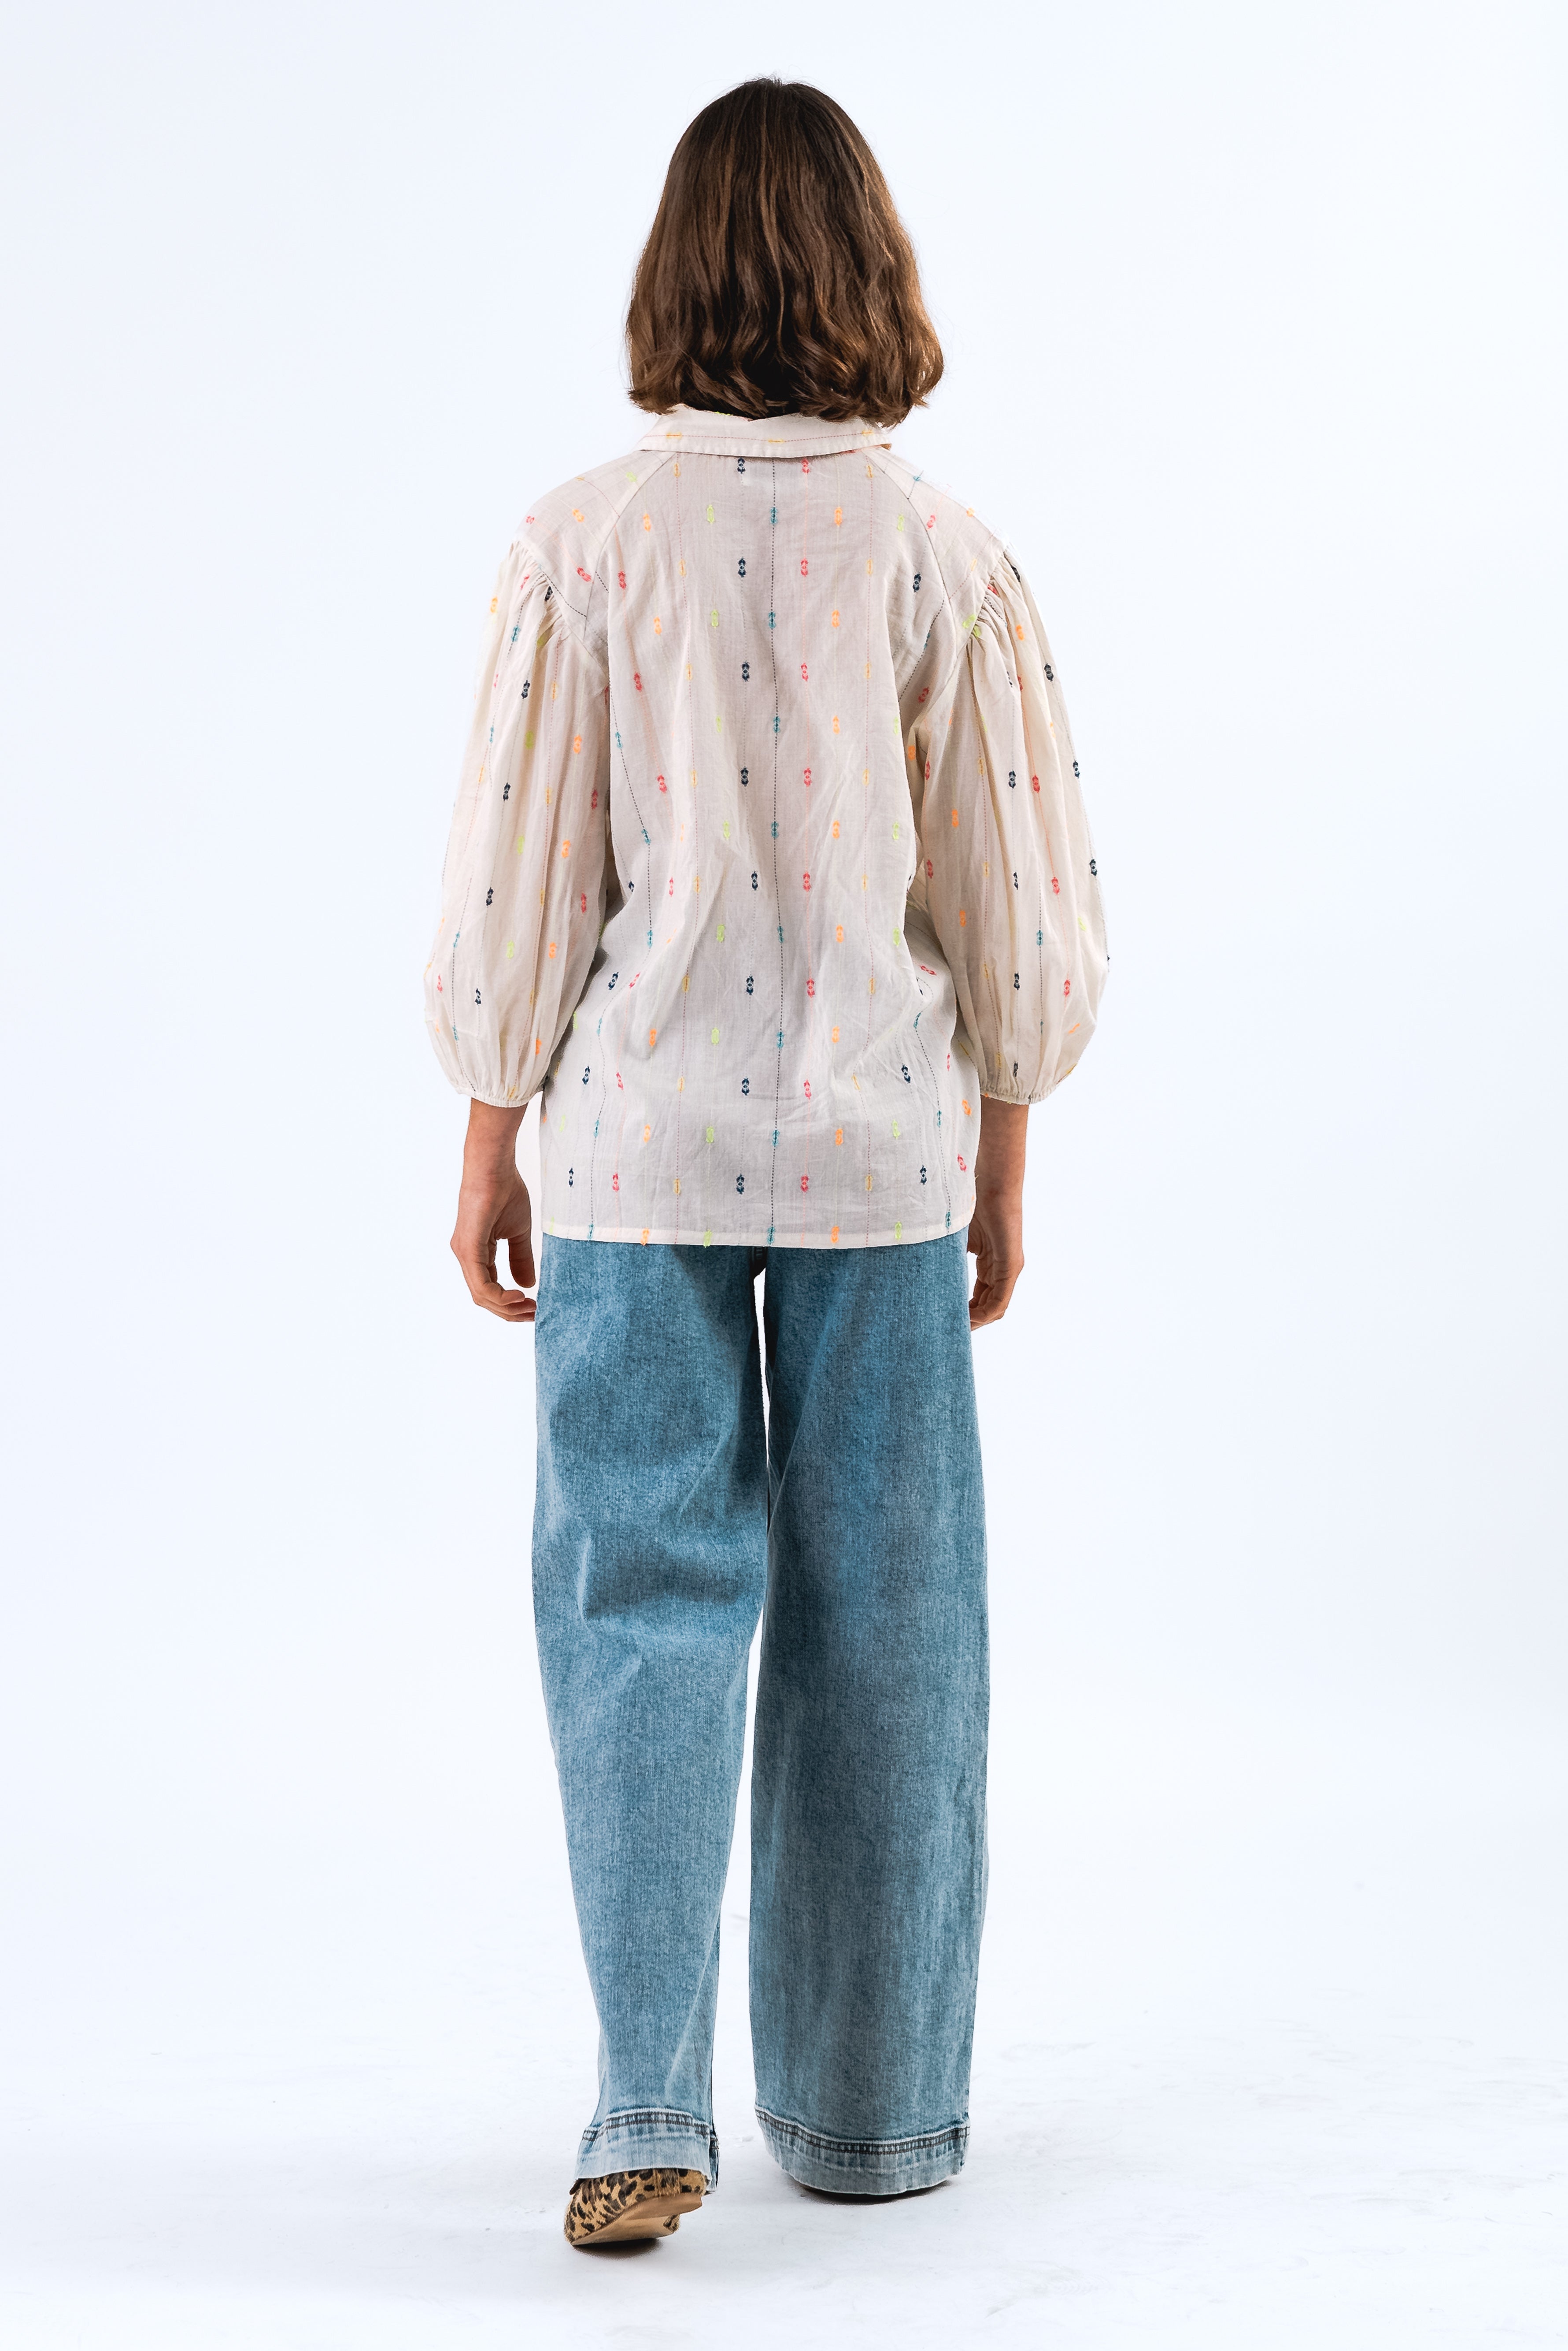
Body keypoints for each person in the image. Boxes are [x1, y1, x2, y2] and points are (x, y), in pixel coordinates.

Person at [424, 77, 1108, 2251]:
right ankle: (872, 2115)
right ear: (871, 271)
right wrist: (1003, 1158)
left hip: (628, 1151)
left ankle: (643, 2103)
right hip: (884, 1157)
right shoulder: (944, 556)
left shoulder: (580, 545)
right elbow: (1014, 912)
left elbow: (522, 883)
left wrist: (486, 1134)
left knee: (637, 1604)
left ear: (672, 273)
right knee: (890, 1623)